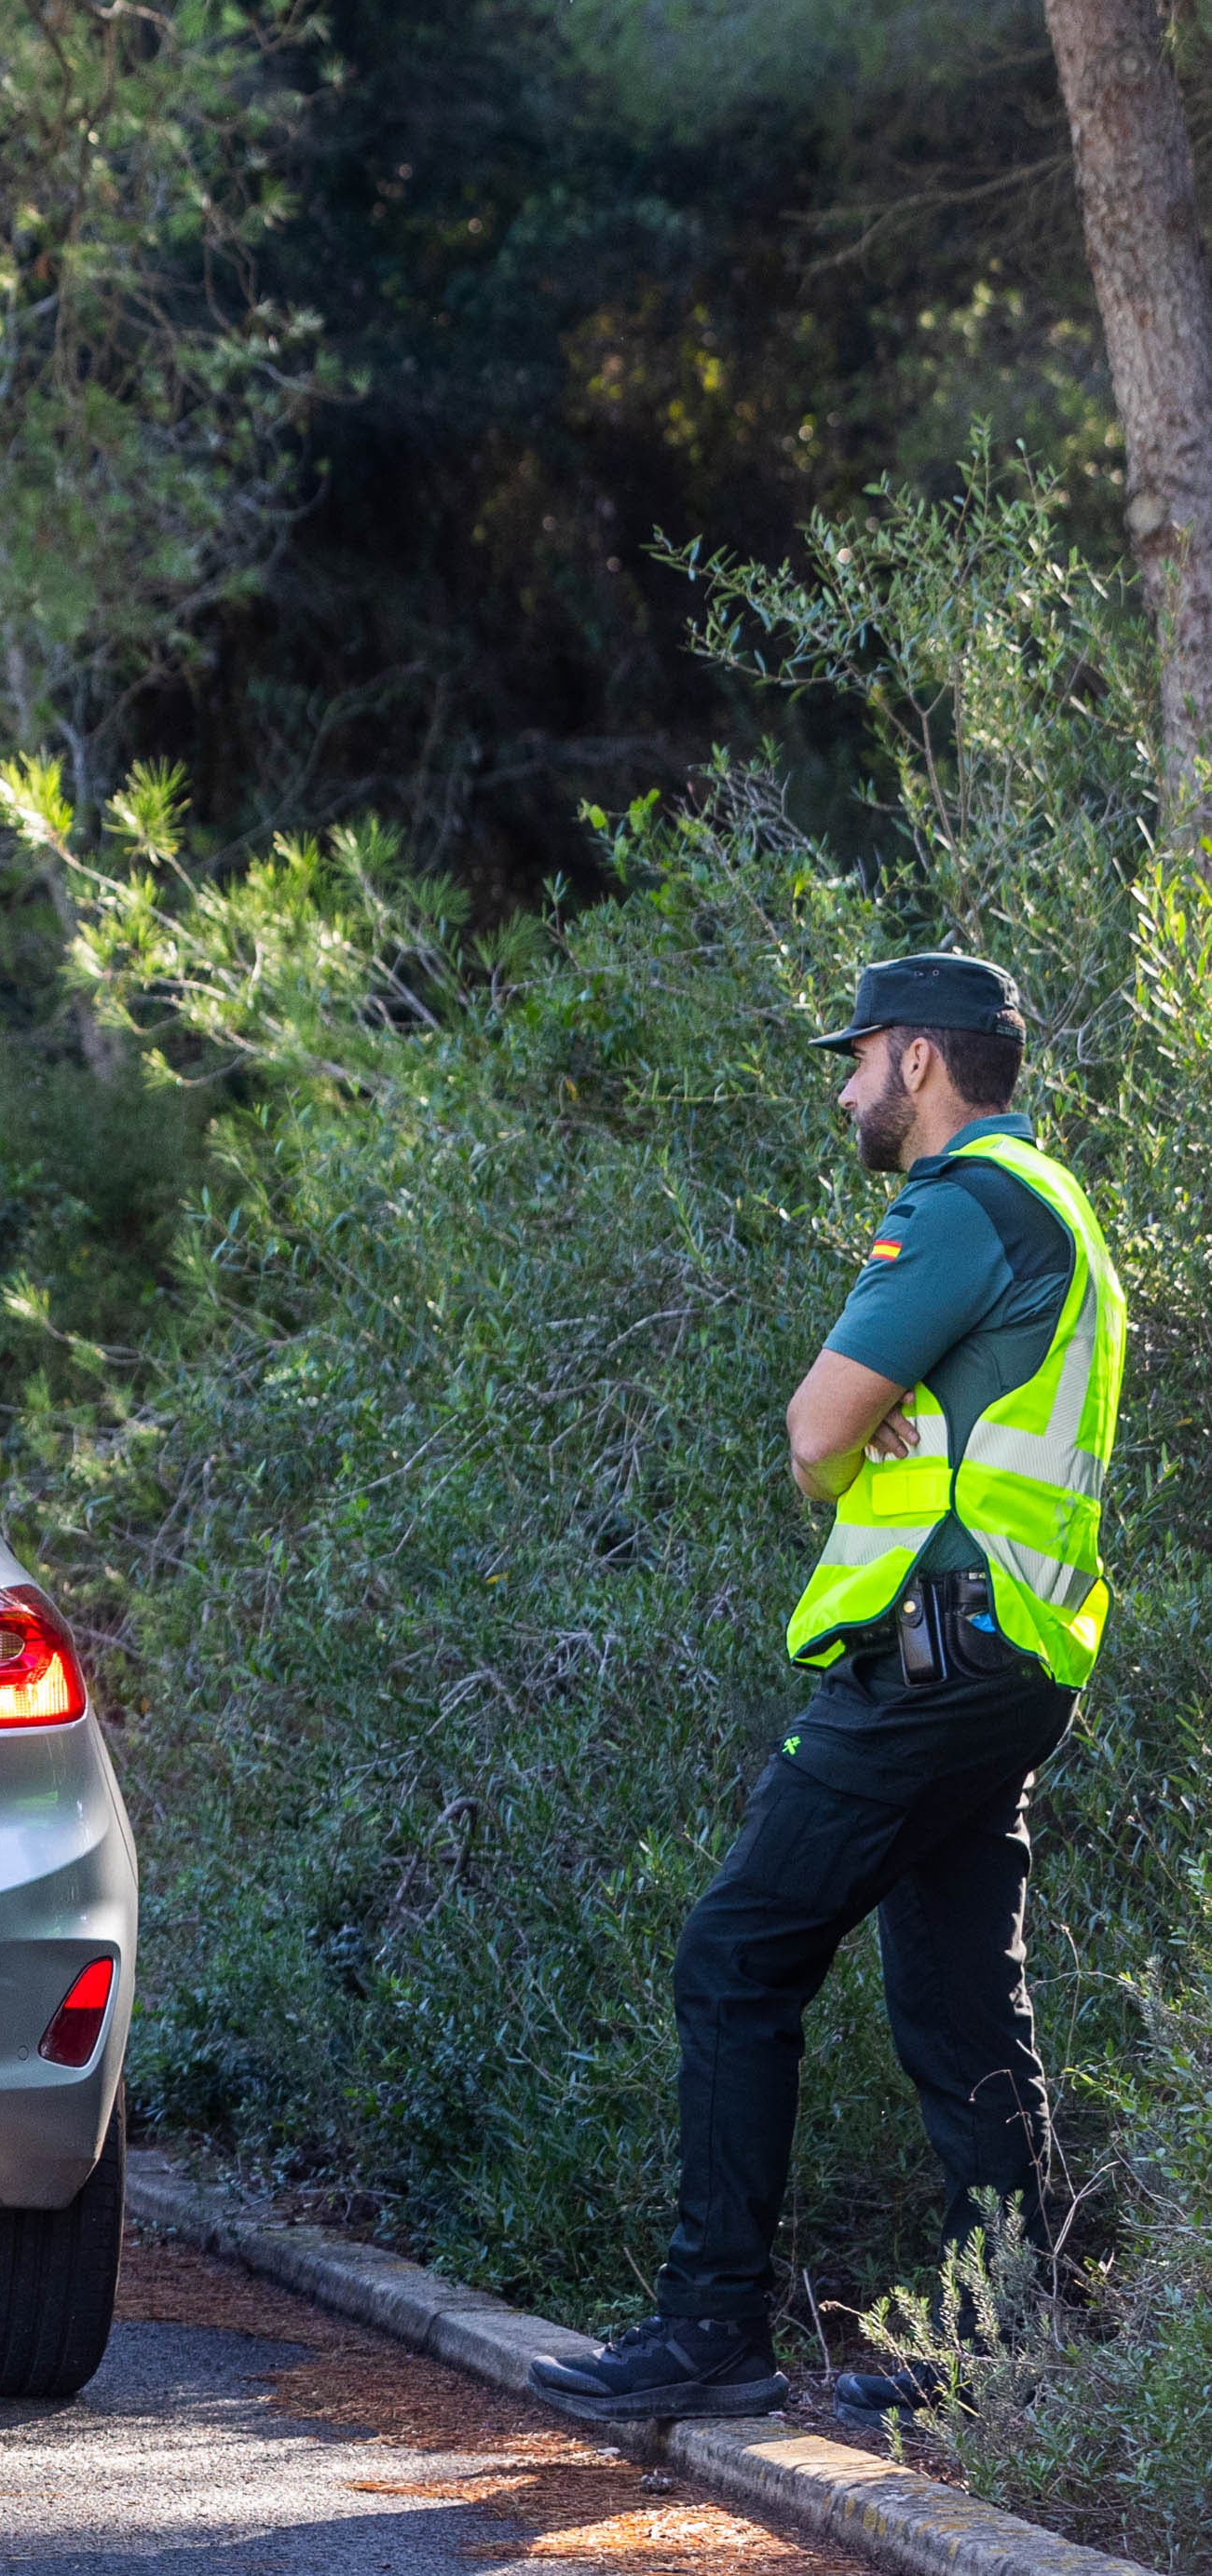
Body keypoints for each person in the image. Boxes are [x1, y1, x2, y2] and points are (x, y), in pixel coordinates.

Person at [535, 953, 1126, 2420]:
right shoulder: (1057, 1206)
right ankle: (1010, 2350)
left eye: (857, 1057)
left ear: (920, 1061)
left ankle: (711, 2331)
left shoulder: (959, 1206)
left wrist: (863, 1444)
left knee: (736, 1953)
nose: (846, 1085)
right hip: (1017, 1662)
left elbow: (816, 1434)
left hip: (936, 1659)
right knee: (957, 2007)